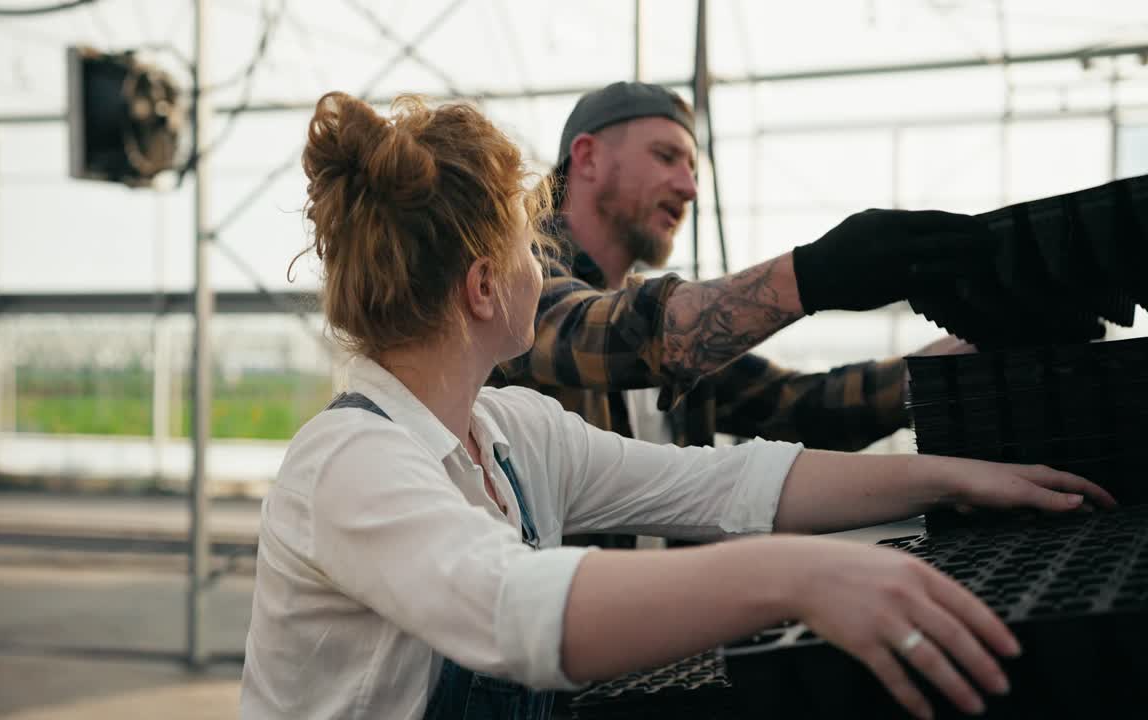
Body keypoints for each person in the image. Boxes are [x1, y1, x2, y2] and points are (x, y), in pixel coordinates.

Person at [239, 91, 1115, 720]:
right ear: (480, 288)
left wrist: (957, 478)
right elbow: (512, 608)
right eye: (524, 254)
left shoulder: (511, 437)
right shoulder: (351, 463)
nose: (542, 274)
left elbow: (728, 482)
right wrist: (800, 575)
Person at [493, 81, 985, 459]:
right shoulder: (515, 275)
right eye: (666, 157)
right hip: (559, 592)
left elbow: (797, 407)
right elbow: (605, 335)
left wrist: (941, 367)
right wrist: (812, 276)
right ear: (588, 157)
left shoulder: (673, 327)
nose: (689, 187)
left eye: (693, 167)